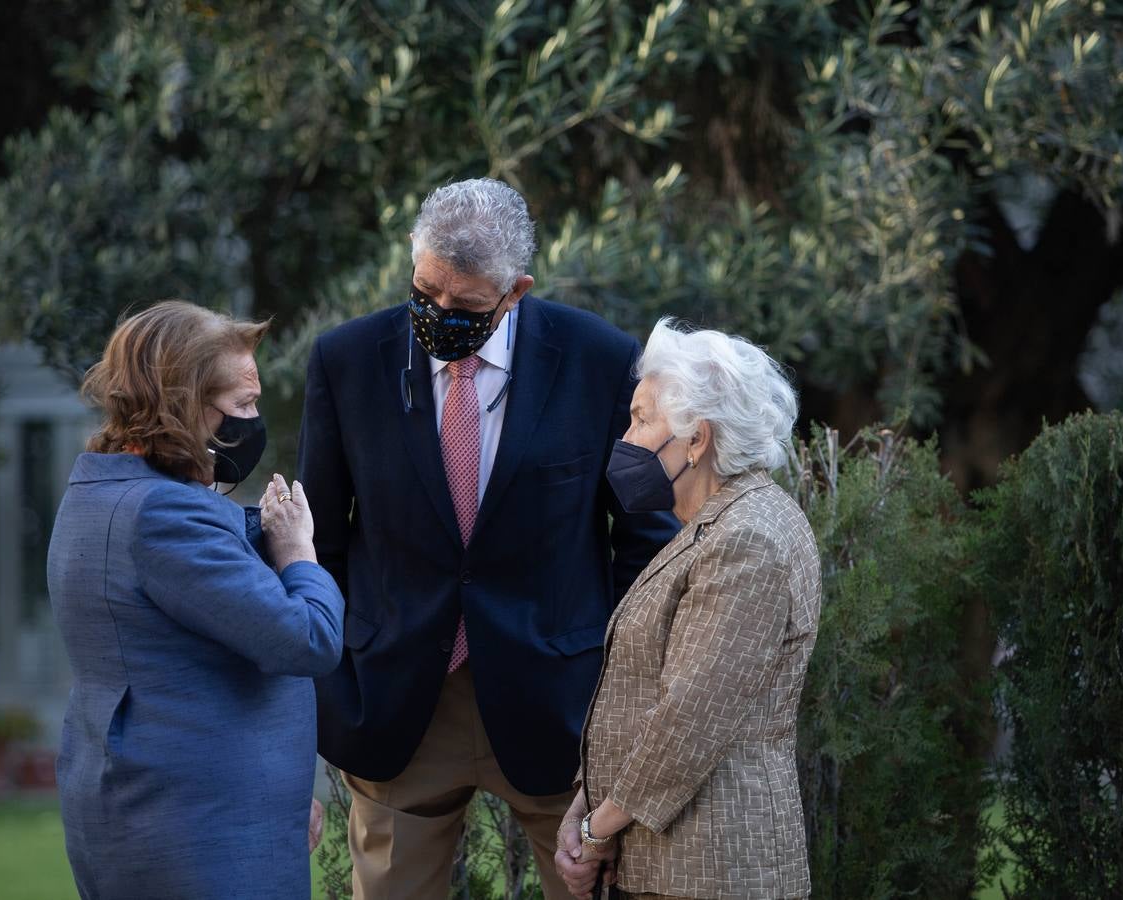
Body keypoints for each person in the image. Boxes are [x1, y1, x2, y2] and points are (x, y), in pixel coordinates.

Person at [298, 178, 677, 899]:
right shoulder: (347, 361)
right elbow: (318, 544)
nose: (439, 314)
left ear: (516, 291)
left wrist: (623, 685)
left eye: (465, 305)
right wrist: (333, 677)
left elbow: (644, 539)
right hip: (397, 700)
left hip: (560, 699)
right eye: (425, 291)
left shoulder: (599, 358)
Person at [48, 300, 344, 900]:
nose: (253, 420)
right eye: (242, 406)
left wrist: (280, 795)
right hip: (196, 828)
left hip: (164, 808)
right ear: (182, 403)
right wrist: (296, 552)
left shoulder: (96, 491)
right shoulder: (163, 514)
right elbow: (306, 639)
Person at [553, 321, 822, 900]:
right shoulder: (711, 525)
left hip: (709, 867)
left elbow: (689, 719)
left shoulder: (747, 538)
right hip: (670, 861)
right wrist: (587, 801)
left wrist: (594, 832)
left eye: (642, 419)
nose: (625, 438)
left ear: (696, 440)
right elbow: (643, 694)